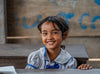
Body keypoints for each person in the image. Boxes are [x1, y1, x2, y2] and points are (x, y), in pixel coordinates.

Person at [25, 16, 92, 69]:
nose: (49, 37)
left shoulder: (69, 61)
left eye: (54, 32)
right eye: (45, 33)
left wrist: (82, 70)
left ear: (64, 35)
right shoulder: (35, 57)